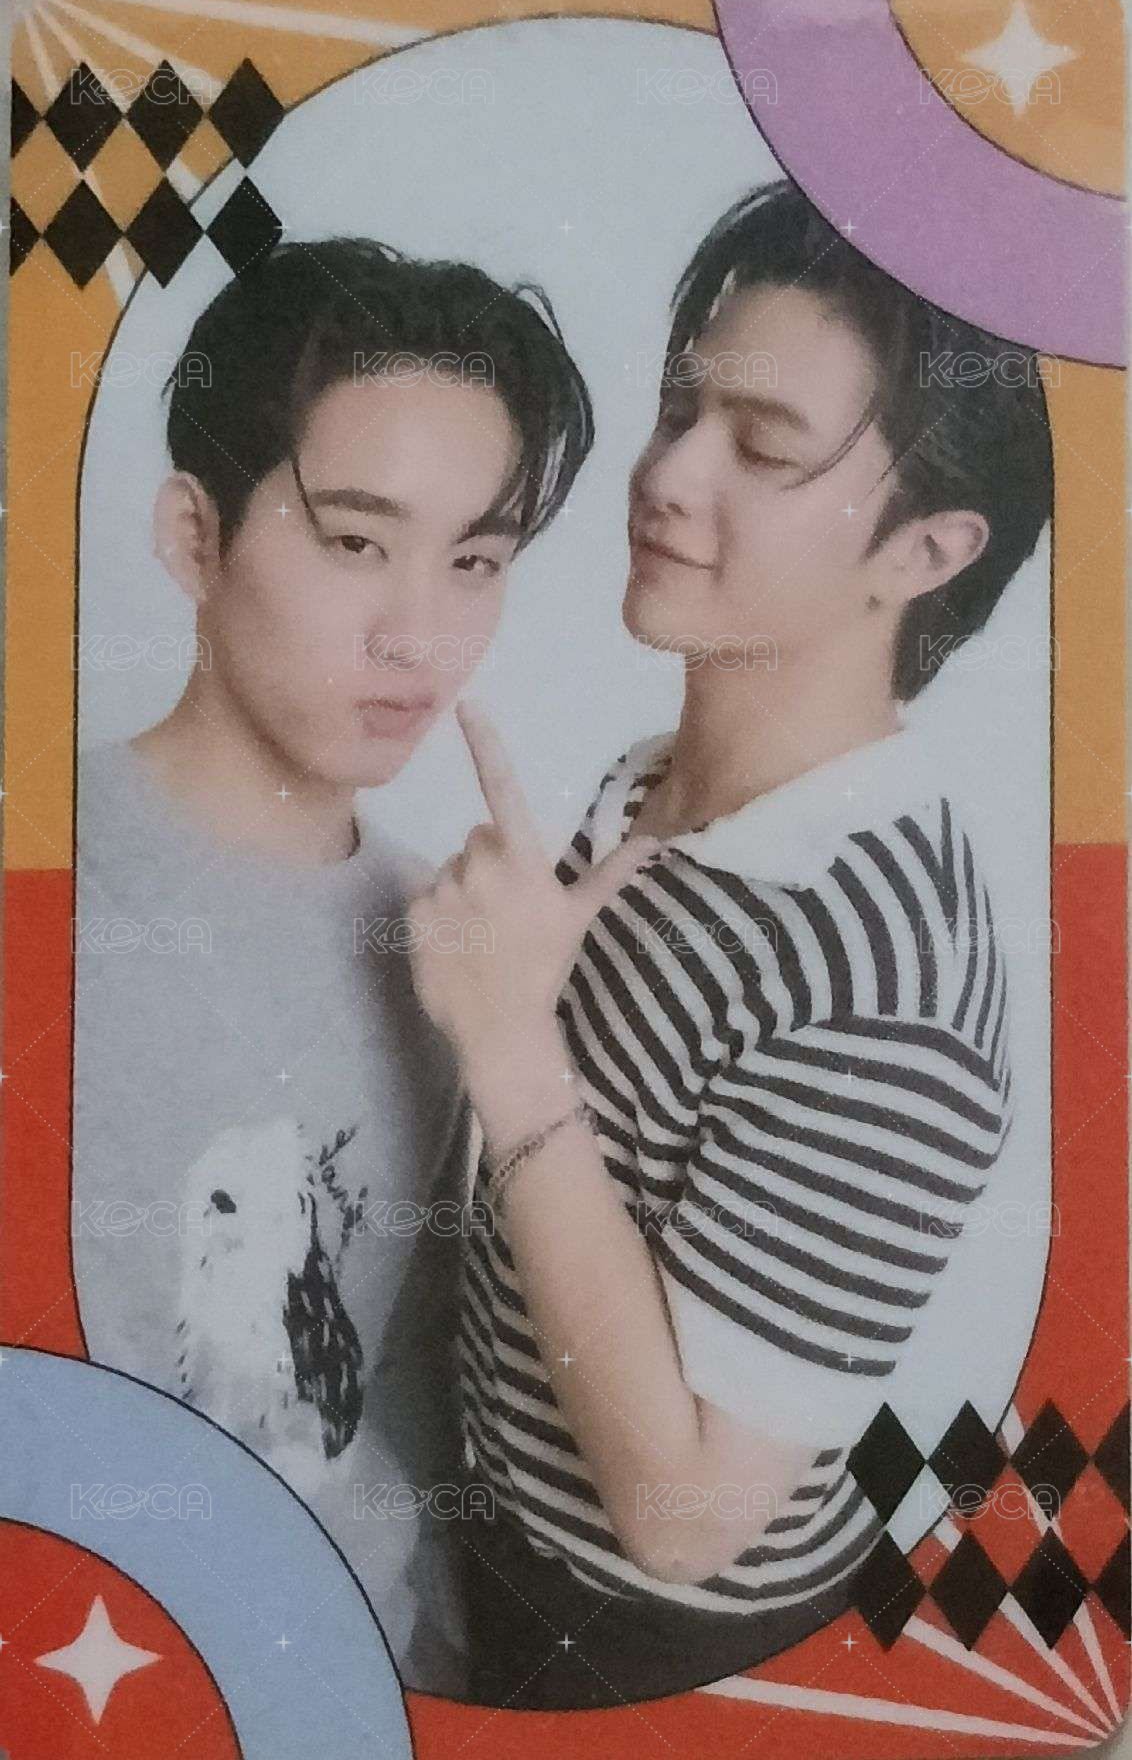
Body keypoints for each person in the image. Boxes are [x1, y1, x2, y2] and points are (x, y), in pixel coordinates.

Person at [409, 179, 1054, 1707]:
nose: (666, 473)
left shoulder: (887, 975)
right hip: (488, 1543)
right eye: (679, 408)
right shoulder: (653, 779)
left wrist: (510, 1049)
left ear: (925, 551)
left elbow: (688, 1519)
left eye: (762, 449)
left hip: (650, 1654)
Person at [71, 236, 593, 1693]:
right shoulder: (51, 886)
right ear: (194, 538)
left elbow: (400, 1387)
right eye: (356, 541)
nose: (419, 639)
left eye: (474, 562)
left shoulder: (447, 935)